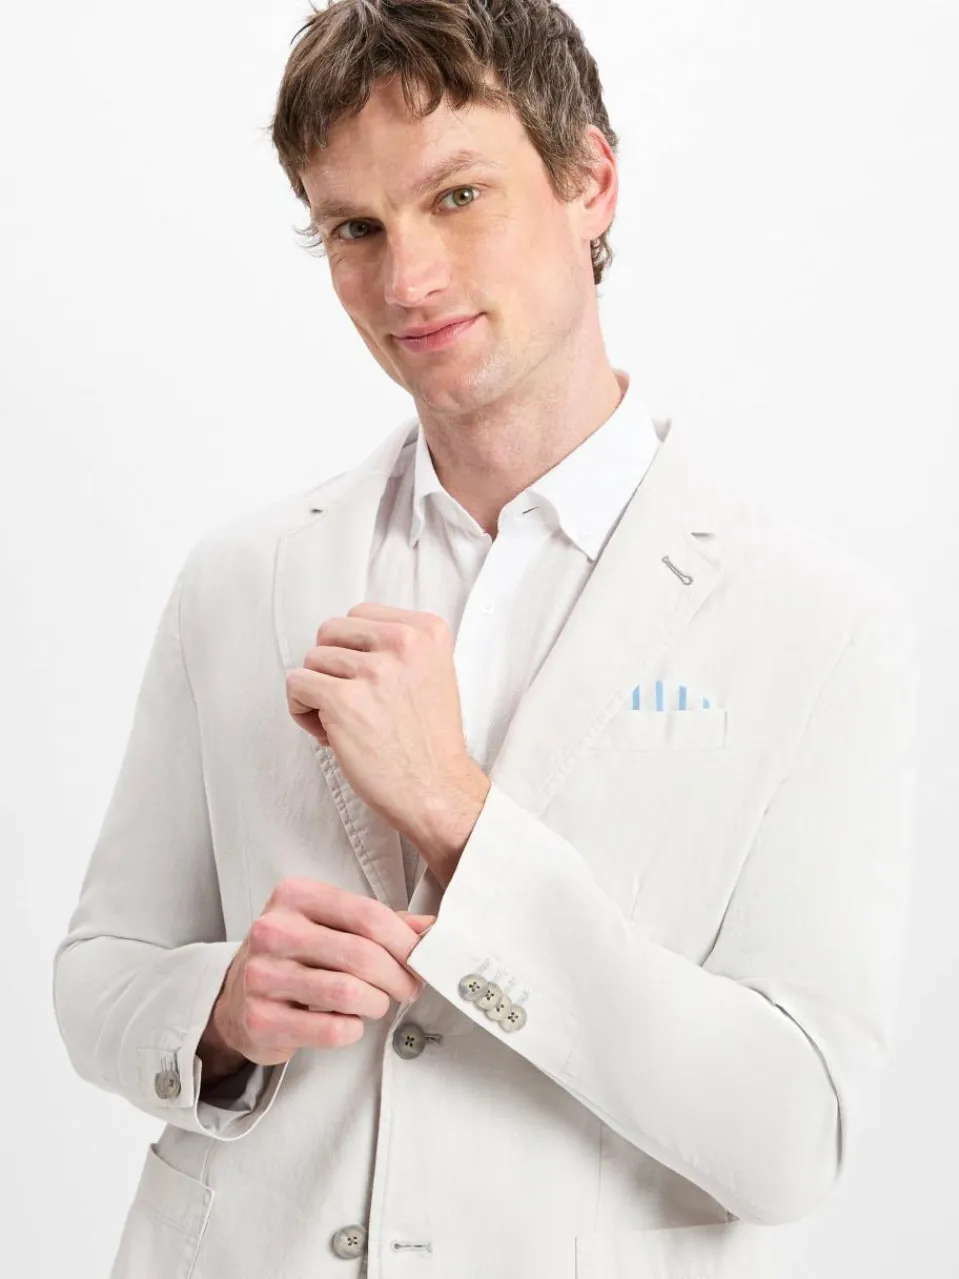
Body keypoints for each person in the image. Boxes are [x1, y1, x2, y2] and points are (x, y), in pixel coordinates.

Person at [52, 2, 918, 1276]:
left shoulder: (817, 627)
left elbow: (791, 1136)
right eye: (354, 229)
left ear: (589, 181)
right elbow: (101, 971)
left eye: (456, 197)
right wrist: (219, 1013)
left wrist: (460, 818)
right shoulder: (242, 577)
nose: (404, 282)